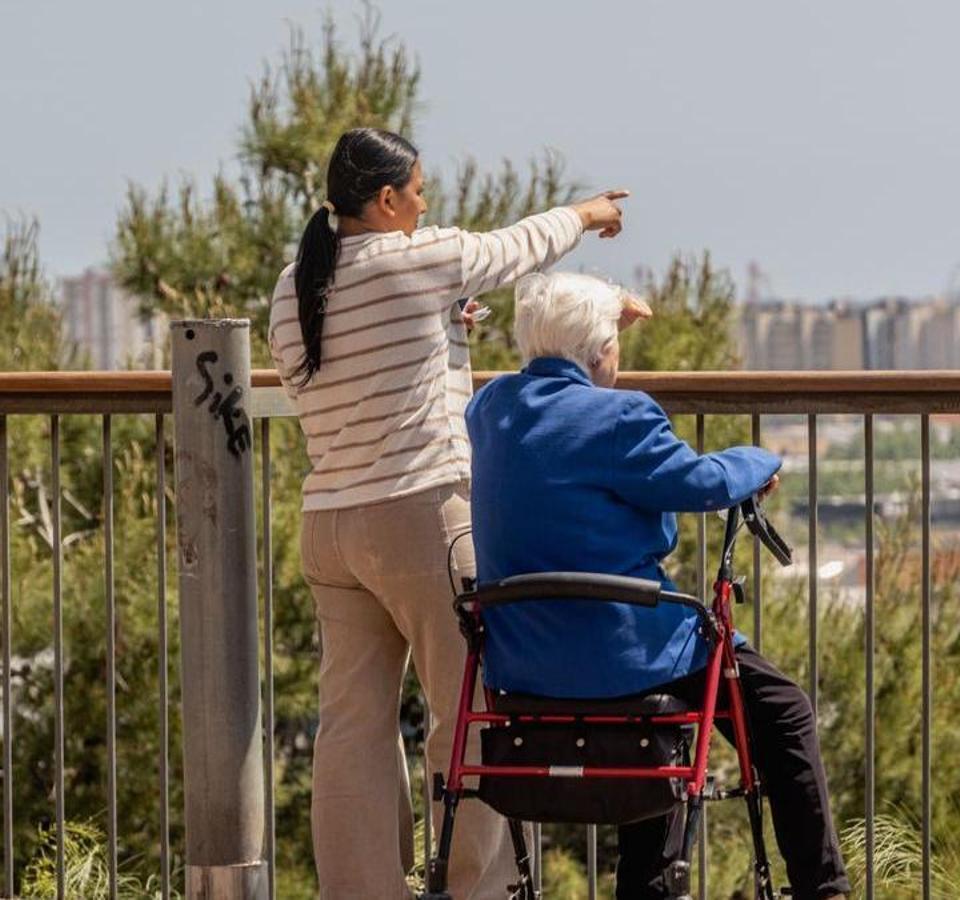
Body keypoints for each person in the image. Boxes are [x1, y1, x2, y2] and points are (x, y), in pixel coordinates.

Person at [267, 126, 634, 899]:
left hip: (330, 524)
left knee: (352, 728)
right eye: (420, 190)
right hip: (420, 517)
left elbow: (366, 380)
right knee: (467, 712)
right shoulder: (415, 258)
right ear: (388, 197)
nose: (427, 203)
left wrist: (446, 336)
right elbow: (514, 248)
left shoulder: (297, 280)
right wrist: (586, 212)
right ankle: (479, 887)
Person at [465, 272, 850, 899]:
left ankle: (652, 884)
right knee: (784, 713)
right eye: (613, 340)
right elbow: (702, 483)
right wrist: (759, 459)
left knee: (656, 723)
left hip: (522, 661)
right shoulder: (622, 416)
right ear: (598, 352)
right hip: (624, 656)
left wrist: (599, 312)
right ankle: (823, 890)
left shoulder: (489, 409)